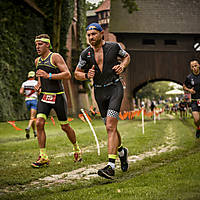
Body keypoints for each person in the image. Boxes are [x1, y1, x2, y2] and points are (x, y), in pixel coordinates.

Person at [74, 23, 130, 179]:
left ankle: (111, 166)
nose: (91, 37)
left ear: (101, 34)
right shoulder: (85, 54)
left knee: (111, 125)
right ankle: (121, 152)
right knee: (110, 126)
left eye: (94, 34)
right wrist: (86, 75)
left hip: (114, 88)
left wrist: (123, 66)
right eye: (89, 35)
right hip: (99, 91)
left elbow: (126, 56)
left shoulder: (113, 47)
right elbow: (76, 73)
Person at [31, 34, 81, 168]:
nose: (37, 47)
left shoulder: (55, 57)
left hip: (58, 96)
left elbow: (67, 74)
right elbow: (41, 76)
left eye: (40, 44)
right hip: (44, 97)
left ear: (47, 45)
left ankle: (76, 149)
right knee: (39, 123)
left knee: (64, 126)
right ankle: (43, 156)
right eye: (36, 44)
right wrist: (39, 83)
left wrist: (50, 76)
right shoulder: (37, 61)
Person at [183, 59, 200, 138]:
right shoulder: (189, 77)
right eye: (192, 67)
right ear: (191, 68)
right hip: (194, 101)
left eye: (195, 66)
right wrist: (189, 90)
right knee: (196, 120)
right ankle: (198, 128)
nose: (194, 68)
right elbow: (184, 86)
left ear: (199, 65)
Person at [20, 71, 38, 139]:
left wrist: (26, 94)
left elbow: (21, 92)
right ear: (34, 76)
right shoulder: (36, 83)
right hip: (34, 100)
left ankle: (34, 132)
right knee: (32, 117)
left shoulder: (24, 83)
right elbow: (39, 91)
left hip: (27, 101)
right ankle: (28, 127)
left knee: (32, 118)